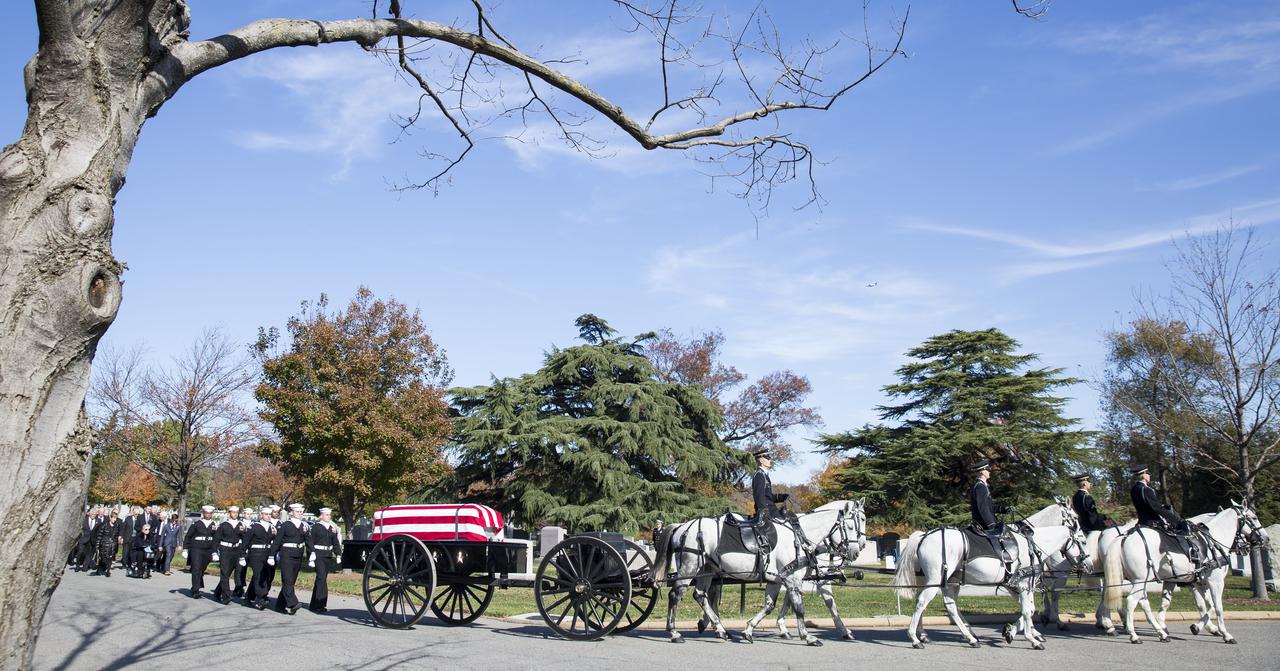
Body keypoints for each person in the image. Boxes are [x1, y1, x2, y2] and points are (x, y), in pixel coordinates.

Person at [1129, 464, 1200, 564]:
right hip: (1153, 522)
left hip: (1141, 522)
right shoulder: (1147, 490)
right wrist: (1177, 520)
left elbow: (1145, 506)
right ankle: (1192, 556)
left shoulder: (1134, 490)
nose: (1150, 476)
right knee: (1180, 532)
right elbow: (1157, 508)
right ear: (1144, 475)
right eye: (1148, 474)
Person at [270, 503, 309, 615]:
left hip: (299, 554)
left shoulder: (304, 526)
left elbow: (308, 540)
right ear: (291, 512)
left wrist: (312, 555)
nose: (300, 514)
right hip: (286, 554)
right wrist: (271, 555)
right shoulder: (285, 525)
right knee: (287, 579)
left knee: (291, 580)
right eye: (297, 512)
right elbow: (277, 541)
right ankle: (293, 603)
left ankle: (280, 605)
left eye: (301, 512)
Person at [307, 507, 343, 613]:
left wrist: (338, 554)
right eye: (326, 515)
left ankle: (317, 604)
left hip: (327, 555)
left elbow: (335, 542)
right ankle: (318, 604)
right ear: (321, 516)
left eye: (329, 515)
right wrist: (311, 556)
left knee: (322, 579)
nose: (328, 516)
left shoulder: (331, 528)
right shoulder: (316, 527)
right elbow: (310, 542)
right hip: (318, 555)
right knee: (321, 578)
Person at [179, 505, 218, 598]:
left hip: (208, 549)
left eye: (210, 513)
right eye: (206, 513)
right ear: (203, 513)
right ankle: (195, 589)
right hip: (197, 548)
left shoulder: (214, 525)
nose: (208, 515)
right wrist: (185, 549)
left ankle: (196, 586)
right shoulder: (196, 524)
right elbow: (188, 536)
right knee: (196, 568)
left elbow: (215, 539)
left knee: (202, 569)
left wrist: (215, 551)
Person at [211, 506, 245, 604]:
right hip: (225, 550)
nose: (235, 514)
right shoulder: (223, 525)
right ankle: (226, 596)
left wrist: (243, 551)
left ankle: (217, 592)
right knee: (225, 573)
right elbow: (216, 539)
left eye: (236, 512)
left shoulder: (240, 525)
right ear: (229, 513)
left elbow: (245, 538)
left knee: (229, 573)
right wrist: (214, 552)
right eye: (233, 512)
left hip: (236, 550)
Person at [244, 508, 275, 609]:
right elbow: (246, 541)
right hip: (256, 554)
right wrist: (242, 555)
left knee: (265, 576)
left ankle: (249, 597)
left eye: (270, 514)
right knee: (258, 575)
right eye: (266, 514)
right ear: (261, 515)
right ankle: (261, 598)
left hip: (267, 553)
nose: (268, 516)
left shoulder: (272, 527)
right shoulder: (254, 526)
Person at [750, 448, 789, 521]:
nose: (770, 459)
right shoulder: (759, 475)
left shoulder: (764, 475)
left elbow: (768, 497)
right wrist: (766, 515)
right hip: (769, 512)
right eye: (767, 457)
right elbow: (759, 497)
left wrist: (782, 497)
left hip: (772, 510)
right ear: (761, 460)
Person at [91, 509, 121, 576]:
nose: (114, 520)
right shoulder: (104, 525)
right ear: (110, 518)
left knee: (110, 559)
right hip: (104, 545)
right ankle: (98, 570)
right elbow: (100, 535)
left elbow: (116, 536)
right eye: (113, 518)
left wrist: (115, 543)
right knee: (102, 559)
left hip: (112, 545)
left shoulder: (116, 526)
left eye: (115, 518)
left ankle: (108, 571)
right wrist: (98, 545)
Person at [234, 508, 253, 598]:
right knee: (239, 568)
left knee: (244, 569)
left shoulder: (253, 524)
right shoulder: (239, 523)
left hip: (250, 548)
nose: (249, 515)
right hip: (240, 547)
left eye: (250, 514)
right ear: (243, 514)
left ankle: (241, 585)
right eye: (247, 514)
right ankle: (239, 586)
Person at [75, 508, 98, 572]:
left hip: (92, 540)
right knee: (80, 552)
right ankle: (77, 565)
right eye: (92, 514)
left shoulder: (98, 521)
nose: (93, 515)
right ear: (89, 514)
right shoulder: (84, 520)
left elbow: (98, 531)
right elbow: (79, 529)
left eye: (95, 514)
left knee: (89, 554)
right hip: (83, 539)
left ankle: (85, 566)